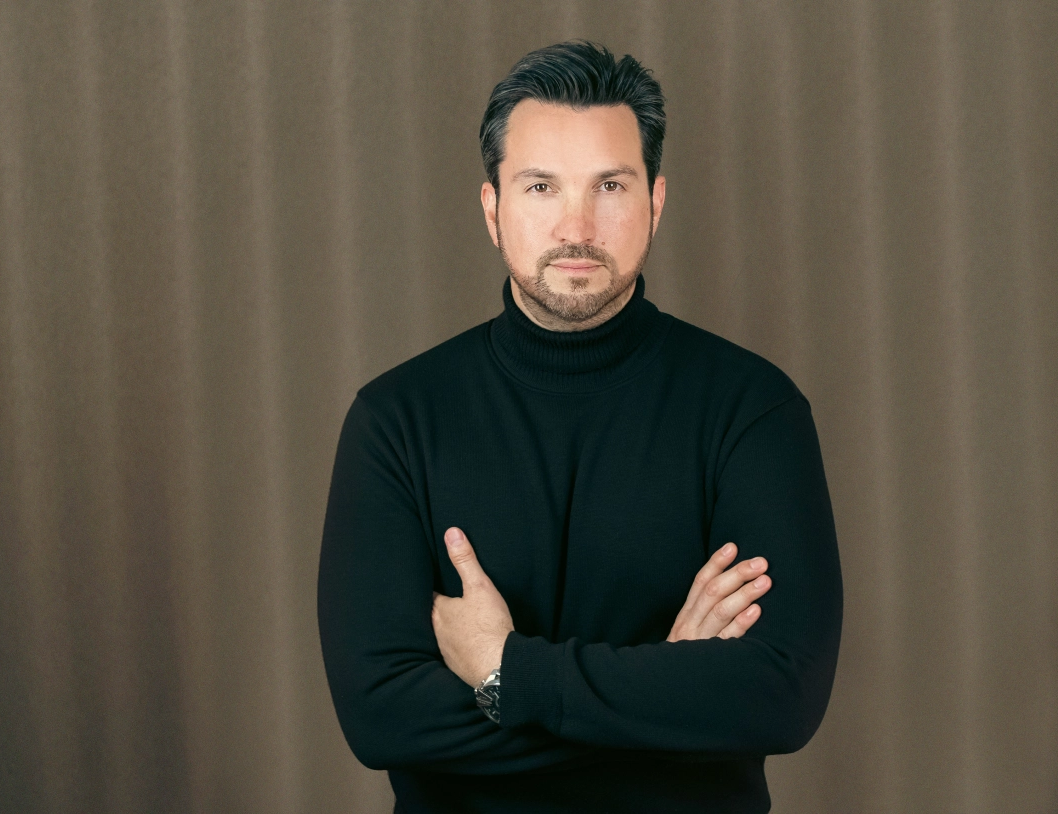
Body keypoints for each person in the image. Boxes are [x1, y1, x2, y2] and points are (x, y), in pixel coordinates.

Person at [317, 40, 843, 813]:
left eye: (610, 186)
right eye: (541, 187)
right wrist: (667, 687)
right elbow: (382, 718)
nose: (577, 224)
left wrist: (506, 674)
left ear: (655, 202)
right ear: (492, 209)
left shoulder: (753, 409)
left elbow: (783, 696)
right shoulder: (395, 420)